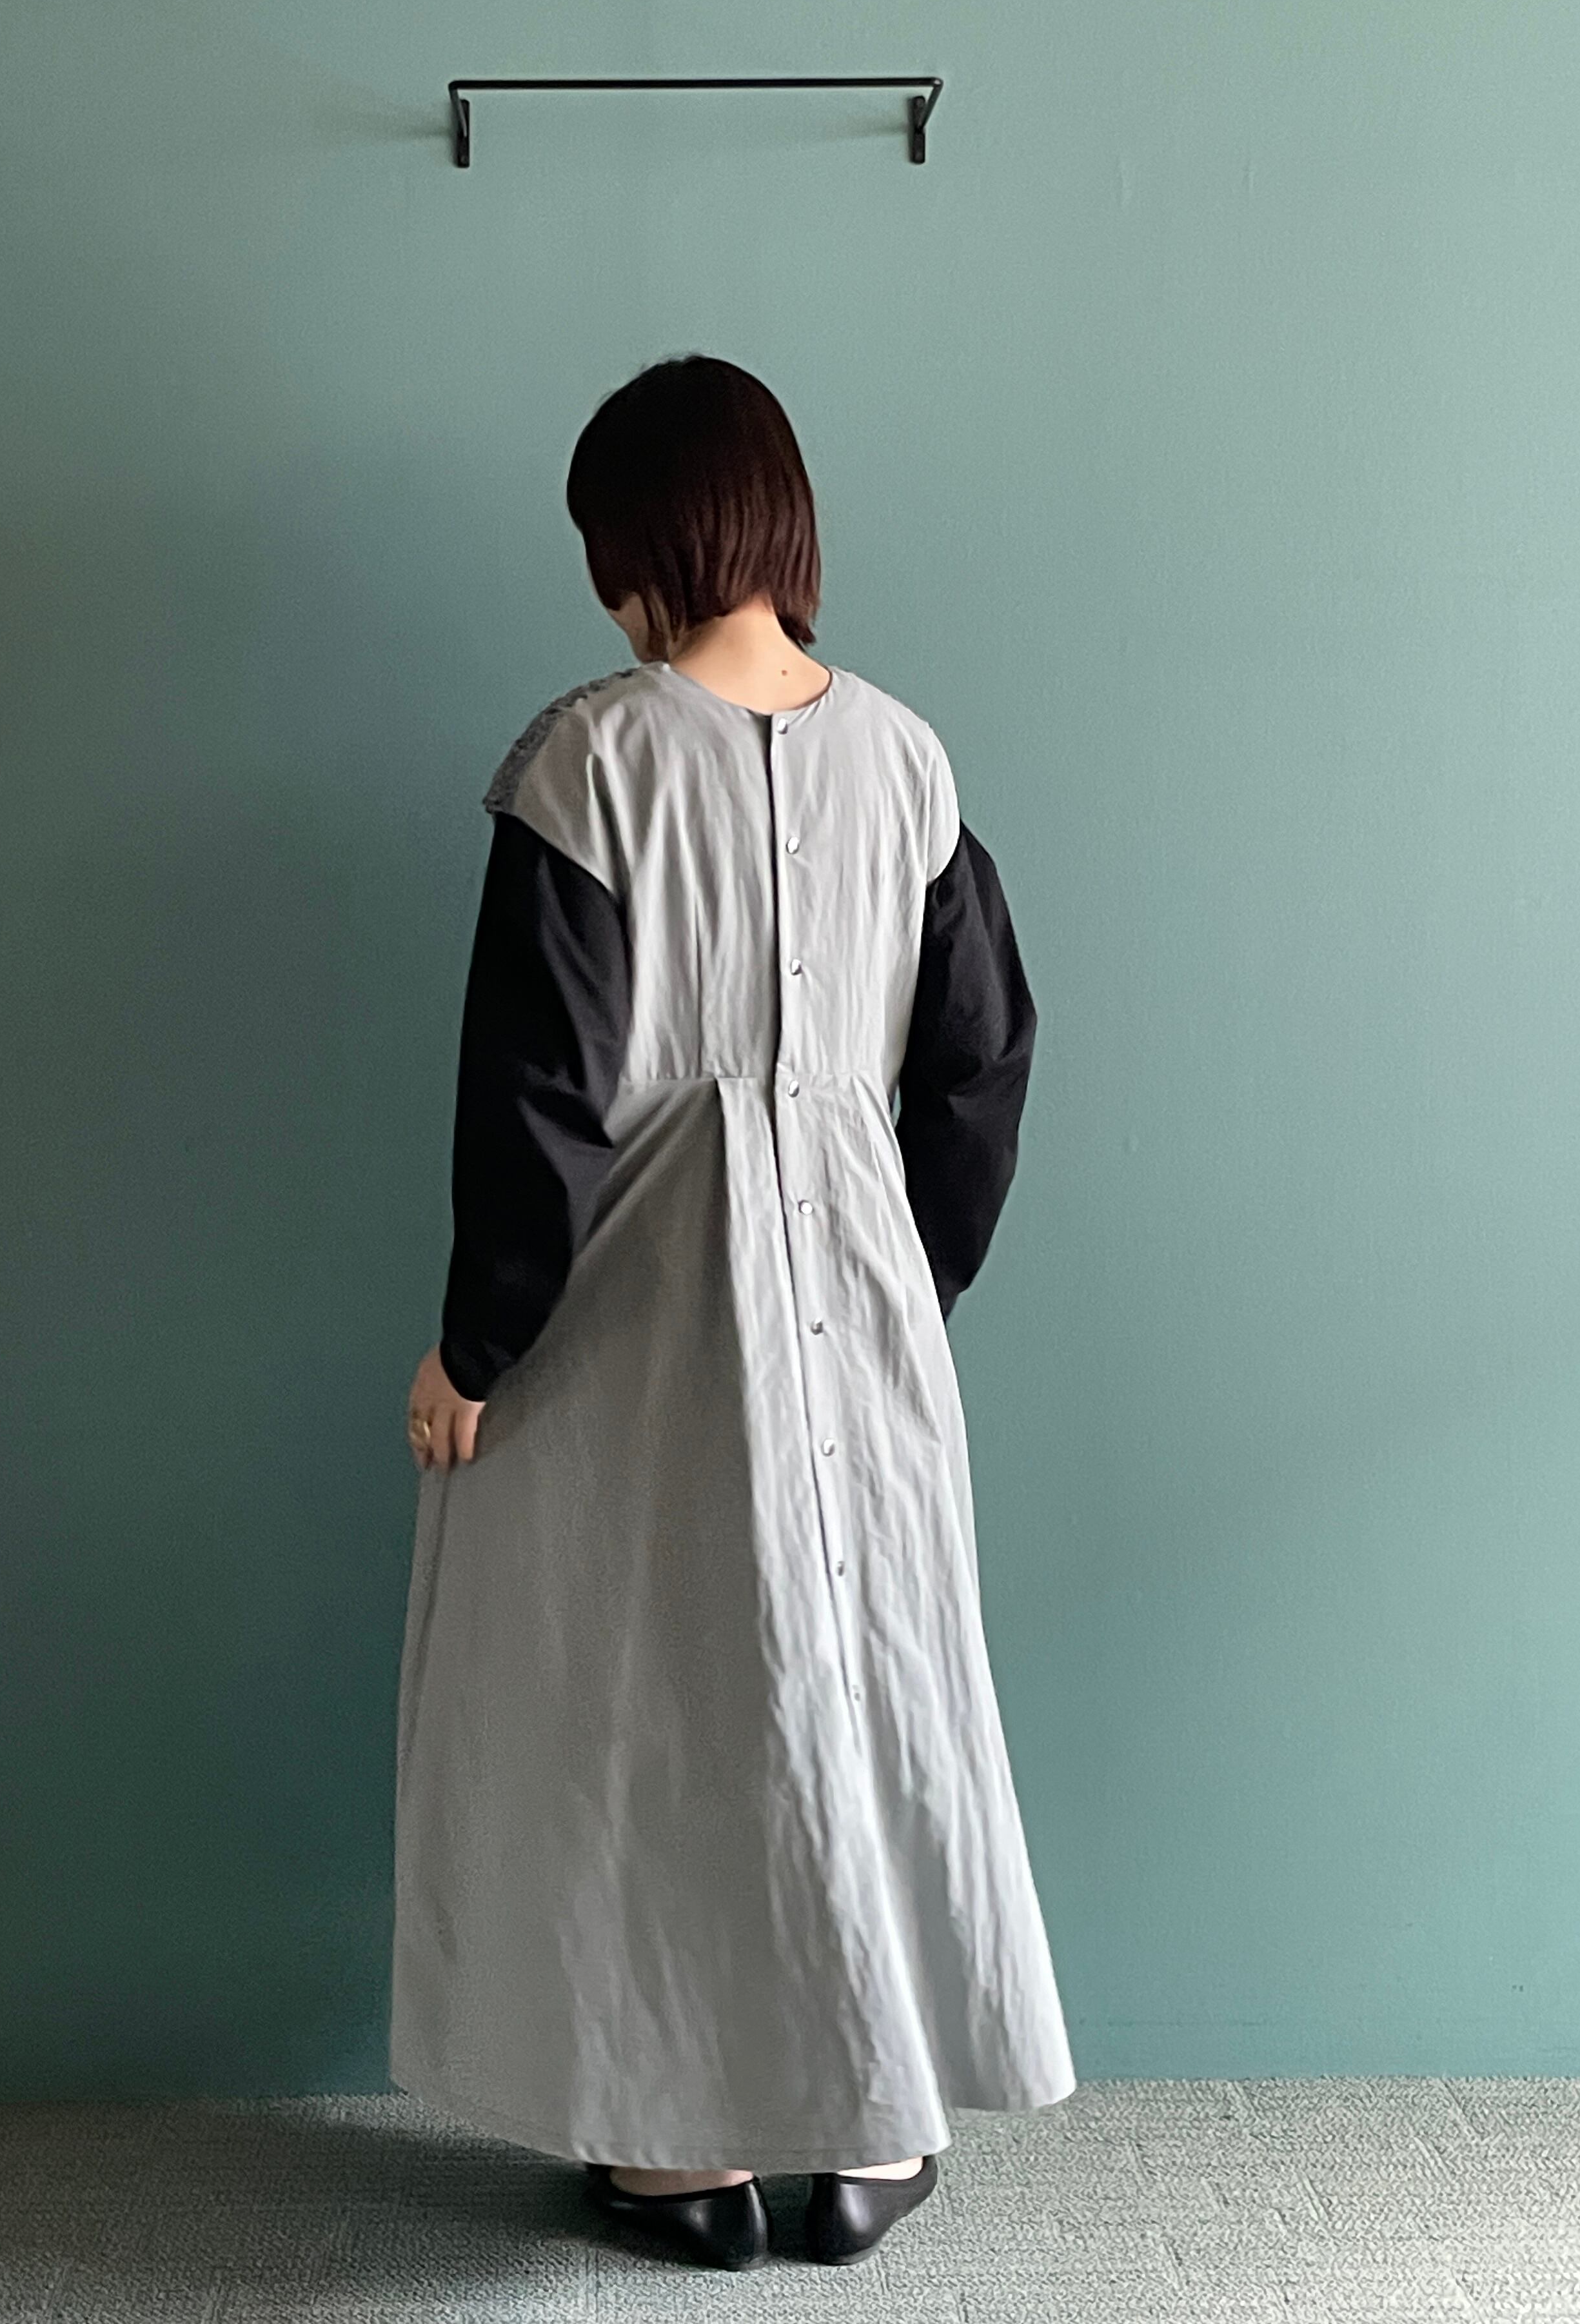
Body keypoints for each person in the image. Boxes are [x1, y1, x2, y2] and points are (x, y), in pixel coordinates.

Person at [391, 354, 1075, 2272]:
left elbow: (536, 1102)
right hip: (861, 1297)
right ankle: (867, 2133)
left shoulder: (588, 761)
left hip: (633, 1307)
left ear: (642, 537)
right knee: (864, 1689)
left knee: (648, 1704)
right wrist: (902, 1277)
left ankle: (677, 2151)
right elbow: (982, 1069)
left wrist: (475, 1349)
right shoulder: (911, 762)